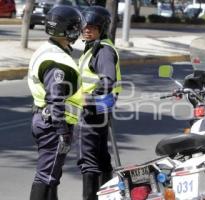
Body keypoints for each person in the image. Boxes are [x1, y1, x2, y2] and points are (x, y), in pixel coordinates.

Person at [27, 6, 83, 200]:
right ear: (66, 29)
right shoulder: (57, 60)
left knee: (52, 176)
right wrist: (62, 131)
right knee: (46, 176)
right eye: (75, 27)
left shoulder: (47, 50)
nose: (78, 31)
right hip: (53, 124)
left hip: (44, 119)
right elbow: (56, 98)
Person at [75, 6, 122, 200]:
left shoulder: (102, 50)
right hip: (99, 111)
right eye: (85, 26)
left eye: (92, 27)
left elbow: (107, 80)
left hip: (93, 111)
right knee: (101, 157)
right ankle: (106, 195)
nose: (87, 30)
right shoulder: (95, 47)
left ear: (101, 29)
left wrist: (90, 99)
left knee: (89, 160)